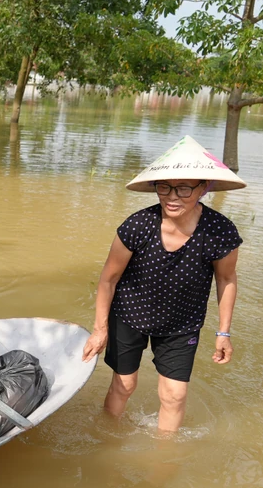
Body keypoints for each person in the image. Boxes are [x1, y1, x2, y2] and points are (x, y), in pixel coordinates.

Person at [81, 136, 246, 433]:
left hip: (182, 322)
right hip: (129, 315)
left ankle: (164, 455)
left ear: (203, 188)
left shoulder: (219, 231)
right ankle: (105, 437)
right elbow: (109, 278)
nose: (172, 197)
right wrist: (100, 329)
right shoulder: (138, 225)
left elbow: (226, 279)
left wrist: (223, 332)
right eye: (164, 187)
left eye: (184, 188)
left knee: (174, 395)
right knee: (124, 385)